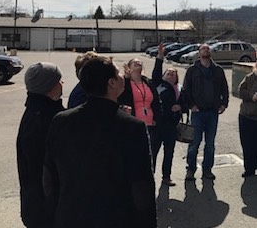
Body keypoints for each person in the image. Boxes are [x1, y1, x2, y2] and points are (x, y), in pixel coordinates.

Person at [43, 56, 156, 228]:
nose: (122, 78)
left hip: (70, 215)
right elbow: (141, 184)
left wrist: (54, 213)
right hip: (115, 217)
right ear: (111, 83)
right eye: (118, 74)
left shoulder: (61, 120)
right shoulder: (131, 126)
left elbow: (50, 175)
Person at [16, 62, 64, 228]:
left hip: (36, 205)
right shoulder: (46, 119)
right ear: (50, 87)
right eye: (59, 80)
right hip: (47, 209)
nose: (62, 84)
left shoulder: (34, 111)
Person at [182, 43, 229, 181]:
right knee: (194, 142)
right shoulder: (192, 70)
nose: (205, 50)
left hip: (212, 112)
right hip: (197, 112)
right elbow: (186, 89)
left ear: (210, 52)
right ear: (198, 53)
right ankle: (190, 170)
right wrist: (191, 106)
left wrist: (223, 104)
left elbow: (224, 88)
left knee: (210, 143)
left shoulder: (218, 70)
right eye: (203, 49)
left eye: (208, 49)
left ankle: (207, 169)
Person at [151, 42, 187, 187]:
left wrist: (180, 107)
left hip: (172, 126)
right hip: (157, 125)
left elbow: (187, 105)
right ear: (164, 75)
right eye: (168, 72)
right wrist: (160, 56)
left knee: (169, 153)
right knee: (153, 152)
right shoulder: (157, 84)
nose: (171, 74)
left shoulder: (180, 89)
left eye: (173, 73)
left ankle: (166, 177)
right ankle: (149, 176)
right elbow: (157, 70)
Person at [118, 57, 163, 170]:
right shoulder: (125, 83)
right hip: (134, 126)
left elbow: (156, 102)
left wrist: (157, 119)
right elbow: (123, 98)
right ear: (129, 67)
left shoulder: (147, 82)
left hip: (151, 125)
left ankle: (149, 183)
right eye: (134, 62)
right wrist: (127, 80)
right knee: (134, 157)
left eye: (139, 62)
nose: (138, 62)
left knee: (150, 158)